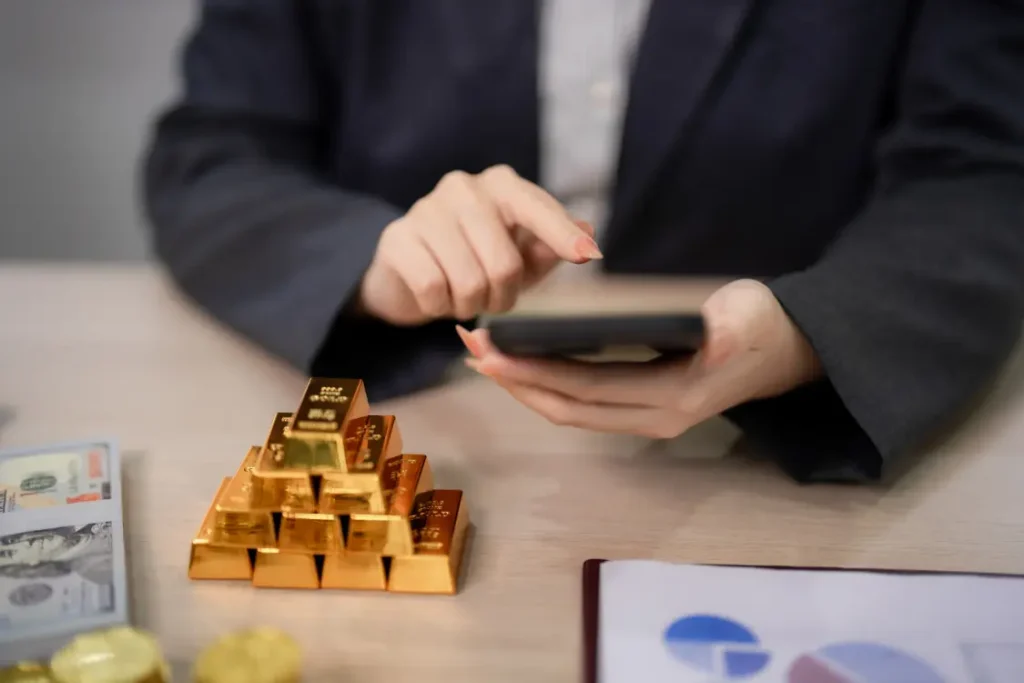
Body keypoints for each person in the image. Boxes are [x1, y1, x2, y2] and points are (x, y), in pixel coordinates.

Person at [141, 0, 1024, 483]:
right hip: (437, 400)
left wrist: (812, 332)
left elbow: (983, 174)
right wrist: (367, 260)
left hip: (753, 453)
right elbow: (213, 151)